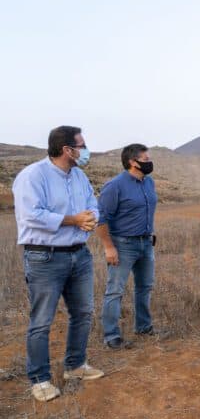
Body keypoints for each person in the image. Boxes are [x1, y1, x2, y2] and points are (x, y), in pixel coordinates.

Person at [12, 126, 104, 402]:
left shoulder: (79, 175)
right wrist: (73, 219)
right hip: (45, 257)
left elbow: (92, 204)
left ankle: (75, 366)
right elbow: (32, 215)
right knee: (41, 321)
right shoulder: (32, 176)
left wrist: (90, 218)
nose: (86, 151)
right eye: (82, 145)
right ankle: (39, 379)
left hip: (80, 254)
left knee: (83, 312)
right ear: (67, 150)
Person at [95, 144, 158, 349]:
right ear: (133, 162)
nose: (149, 162)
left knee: (145, 287)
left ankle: (144, 326)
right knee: (115, 290)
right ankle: (111, 335)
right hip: (123, 245)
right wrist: (109, 247)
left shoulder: (149, 183)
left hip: (146, 243)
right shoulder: (115, 185)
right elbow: (101, 218)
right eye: (146, 159)